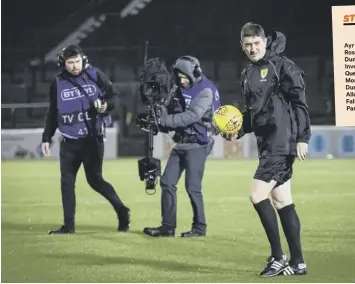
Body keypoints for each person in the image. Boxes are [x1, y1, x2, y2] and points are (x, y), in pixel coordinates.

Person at [223, 22, 311, 277]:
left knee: (258, 195)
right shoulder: (247, 73)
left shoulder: (282, 66)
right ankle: (298, 263)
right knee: (282, 200)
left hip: (282, 143)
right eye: (247, 45)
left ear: (264, 42)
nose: (252, 49)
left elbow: (299, 103)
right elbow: (253, 114)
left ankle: (278, 257)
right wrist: (237, 130)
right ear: (242, 46)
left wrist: (303, 137)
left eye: (256, 44)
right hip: (266, 144)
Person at [41, 44, 130, 234]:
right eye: (70, 63)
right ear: (63, 64)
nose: (74, 66)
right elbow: (53, 112)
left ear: (84, 60)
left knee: (95, 180)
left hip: (92, 140)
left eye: (77, 62)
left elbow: (114, 97)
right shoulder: (57, 83)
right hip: (69, 141)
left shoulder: (95, 75)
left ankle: (122, 211)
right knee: (66, 183)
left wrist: (106, 106)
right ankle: (68, 226)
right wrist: (46, 137)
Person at [143, 55, 221, 238]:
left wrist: (164, 121)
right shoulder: (181, 86)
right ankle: (167, 227)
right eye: (179, 77)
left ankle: (199, 228)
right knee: (167, 182)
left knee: (193, 187)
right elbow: (172, 107)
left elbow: (192, 116)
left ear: (195, 73)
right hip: (183, 142)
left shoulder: (205, 90)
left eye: (185, 77)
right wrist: (157, 106)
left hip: (198, 143)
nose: (182, 81)